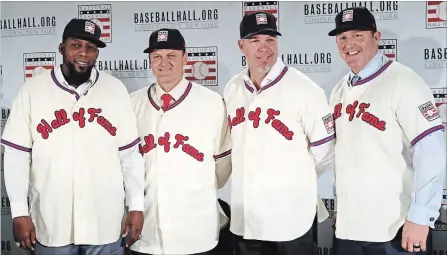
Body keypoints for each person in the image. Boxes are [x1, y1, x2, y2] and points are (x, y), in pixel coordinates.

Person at [0, 18, 145, 255]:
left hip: (105, 223)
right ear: (62, 49)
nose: (83, 53)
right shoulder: (32, 91)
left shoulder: (115, 89)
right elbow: (16, 156)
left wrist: (136, 205)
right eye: (76, 45)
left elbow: (129, 154)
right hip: (52, 223)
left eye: (90, 48)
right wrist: (19, 212)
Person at [328, 7, 446, 255]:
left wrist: (421, 216)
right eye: (342, 37)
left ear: (376, 38)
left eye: (358, 35)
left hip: (396, 230)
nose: (349, 44)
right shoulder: (339, 90)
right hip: (350, 231)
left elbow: (432, 150)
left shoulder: (404, 82)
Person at [224, 11, 335, 255]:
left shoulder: (305, 89)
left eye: (270, 40)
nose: (264, 48)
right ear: (241, 46)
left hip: (291, 218)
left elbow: (325, 152)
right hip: (246, 219)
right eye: (255, 41)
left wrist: (295, 177)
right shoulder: (232, 89)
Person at [128, 28, 232, 255]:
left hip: (196, 230)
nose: (163, 63)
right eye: (157, 57)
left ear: (185, 58)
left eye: (171, 56)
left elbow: (223, 164)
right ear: (150, 61)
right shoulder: (132, 104)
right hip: (146, 231)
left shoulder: (212, 103)